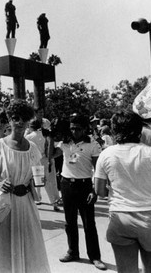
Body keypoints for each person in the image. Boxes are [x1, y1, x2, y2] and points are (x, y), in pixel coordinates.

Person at [95, 111, 151, 273]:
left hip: (120, 218)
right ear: (140, 130)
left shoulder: (106, 155)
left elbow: (100, 191)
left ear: (114, 130)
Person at [0, 100, 50, 273]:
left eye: (24, 119)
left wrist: (38, 180)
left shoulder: (32, 148)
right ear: (9, 119)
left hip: (26, 205)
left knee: (29, 247)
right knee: (2, 249)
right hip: (4, 205)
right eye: (15, 118)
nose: (19, 122)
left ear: (28, 121)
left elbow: (36, 175)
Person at [57, 114, 106, 270]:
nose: (74, 131)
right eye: (72, 128)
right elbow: (50, 155)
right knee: (69, 222)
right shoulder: (65, 142)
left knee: (88, 223)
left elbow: (98, 169)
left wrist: (94, 189)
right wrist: (50, 137)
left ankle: (95, 257)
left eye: (78, 128)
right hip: (66, 185)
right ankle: (73, 252)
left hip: (85, 186)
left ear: (85, 129)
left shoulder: (93, 145)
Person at [25, 118, 60, 211]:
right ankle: (53, 202)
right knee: (48, 182)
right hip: (46, 158)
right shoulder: (45, 135)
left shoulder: (29, 137)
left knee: (36, 182)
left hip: (36, 161)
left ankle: (36, 200)